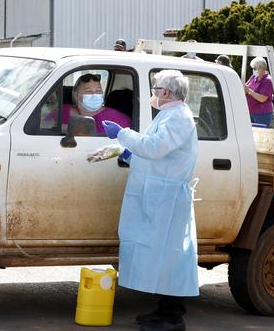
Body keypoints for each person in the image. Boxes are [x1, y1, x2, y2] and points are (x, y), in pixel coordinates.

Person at [101, 69, 198, 331]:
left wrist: (123, 134)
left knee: (171, 258)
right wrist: (131, 155)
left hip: (167, 200)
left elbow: (155, 148)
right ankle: (164, 310)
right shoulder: (169, 115)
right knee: (160, 257)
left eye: (156, 88)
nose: (153, 92)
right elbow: (160, 153)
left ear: (165, 92)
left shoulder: (178, 117)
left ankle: (173, 318)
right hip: (159, 196)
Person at [63, 73, 131, 134]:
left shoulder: (117, 118)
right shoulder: (62, 111)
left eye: (98, 91)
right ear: (76, 95)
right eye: (88, 91)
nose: (94, 94)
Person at [244, 56, 274, 126]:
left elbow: (262, 98)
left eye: (255, 68)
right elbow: (245, 88)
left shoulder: (268, 80)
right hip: (251, 112)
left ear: (262, 68)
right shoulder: (254, 77)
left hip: (262, 114)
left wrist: (249, 90)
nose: (253, 70)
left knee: (260, 135)